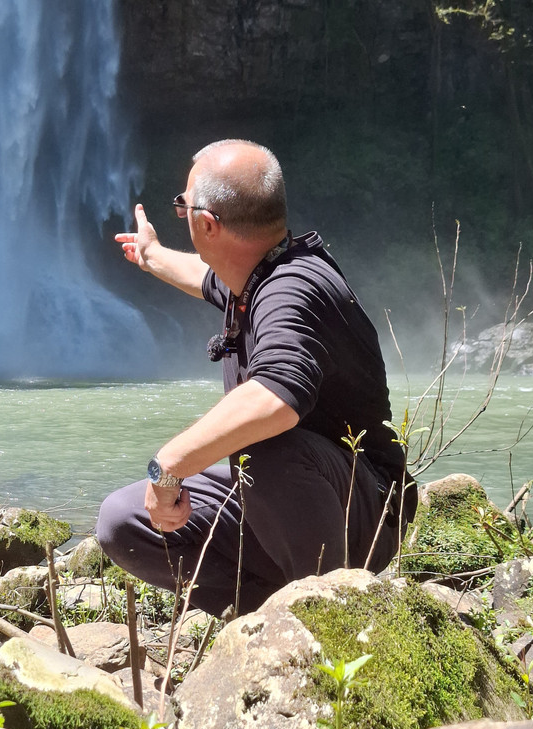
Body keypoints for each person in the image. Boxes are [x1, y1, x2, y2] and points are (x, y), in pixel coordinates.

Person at [95, 139, 414, 618]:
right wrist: (153, 254)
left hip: (364, 513)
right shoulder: (255, 270)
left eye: (182, 206)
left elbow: (278, 398)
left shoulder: (291, 291)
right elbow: (203, 275)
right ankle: (261, 617)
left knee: (262, 444)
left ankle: (328, 615)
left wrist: (169, 463)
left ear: (208, 224)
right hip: (288, 499)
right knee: (123, 522)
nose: (180, 213)